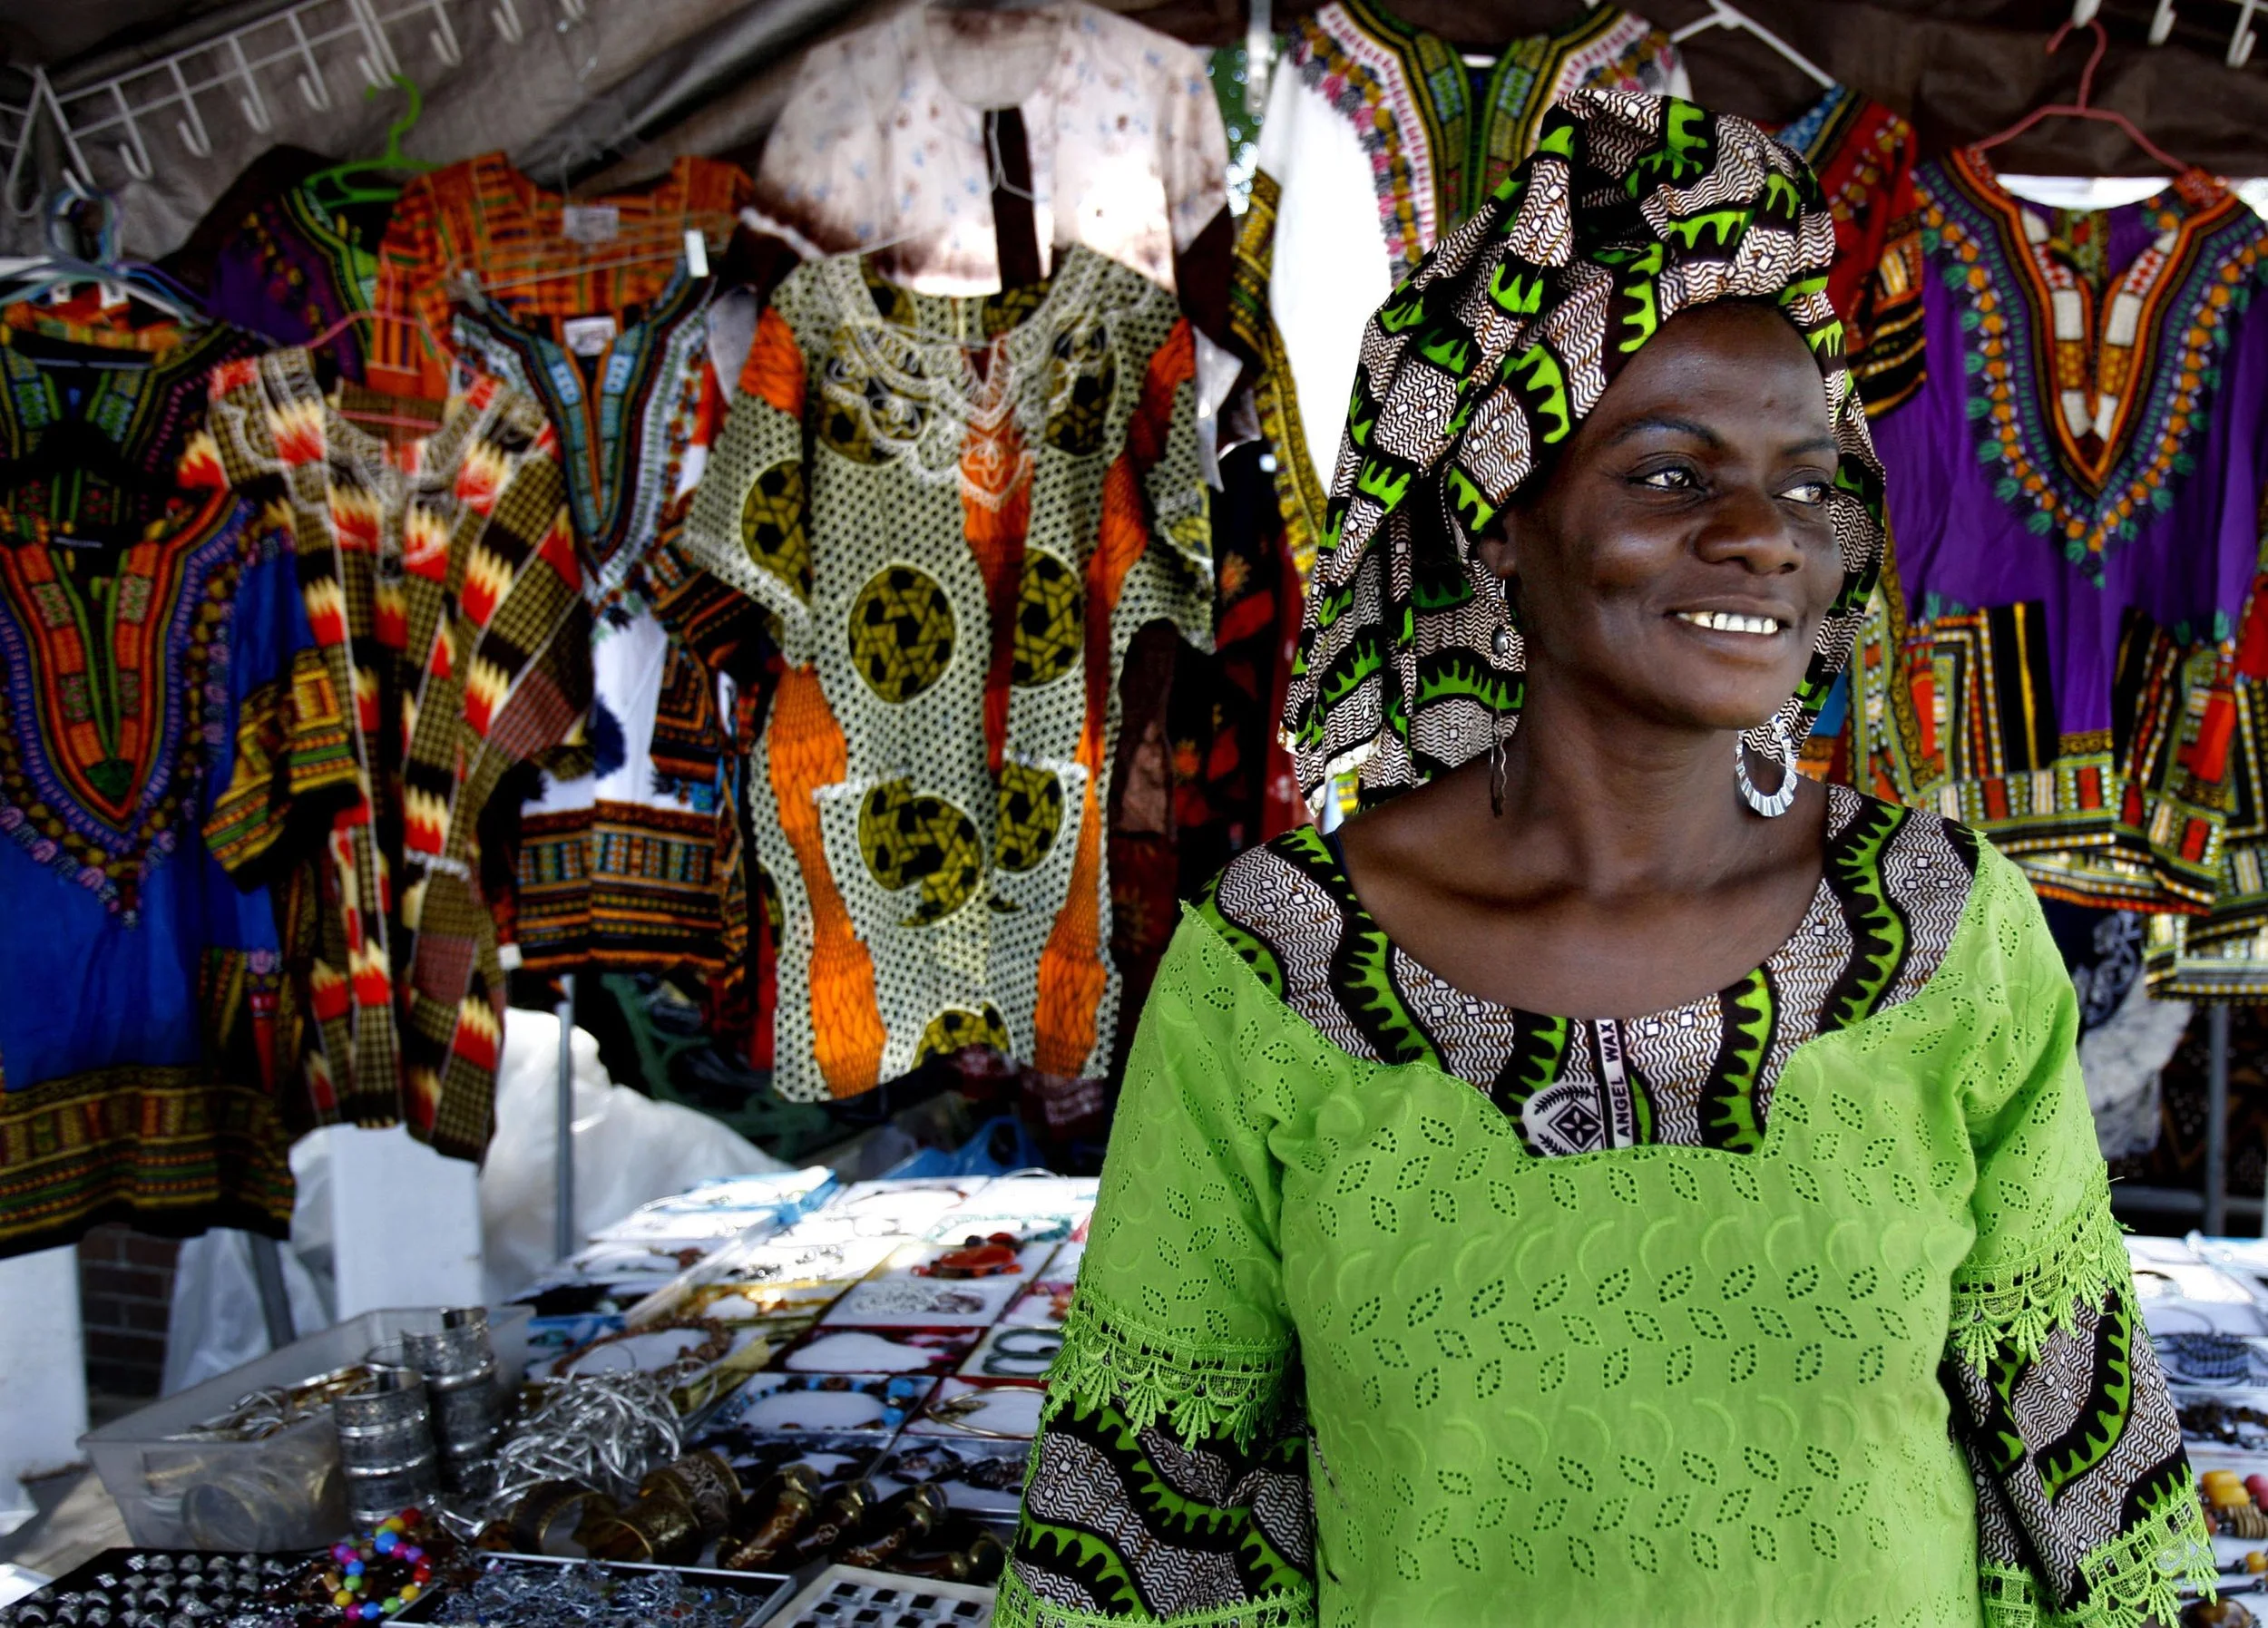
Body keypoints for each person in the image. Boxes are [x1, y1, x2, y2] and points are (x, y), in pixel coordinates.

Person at [995, 91, 2214, 1627]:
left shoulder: (1943, 932)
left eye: (1806, 478)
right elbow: (1139, 1526)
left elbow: (2096, 1497)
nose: (1767, 533)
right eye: (1668, 472)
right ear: (1500, 515)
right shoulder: (1278, 966)